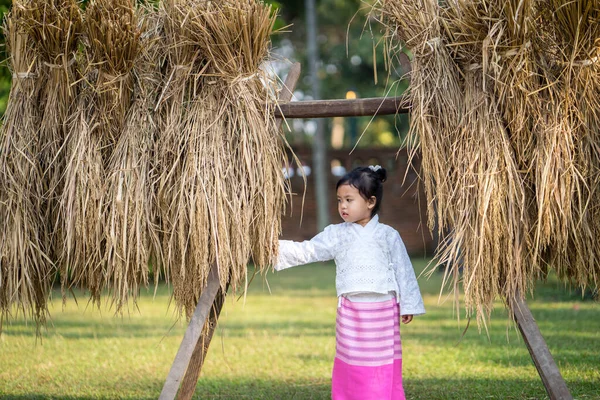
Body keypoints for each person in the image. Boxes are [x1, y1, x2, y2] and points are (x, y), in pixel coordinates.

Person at [274, 165, 425, 400]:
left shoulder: (388, 235)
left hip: (383, 310)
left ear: (370, 202)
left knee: (380, 361)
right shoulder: (336, 234)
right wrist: (272, 248)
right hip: (351, 311)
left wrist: (409, 304)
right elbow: (309, 250)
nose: (342, 206)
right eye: (339, 200)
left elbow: (404, 270)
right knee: (352, 360)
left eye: (349, 200)